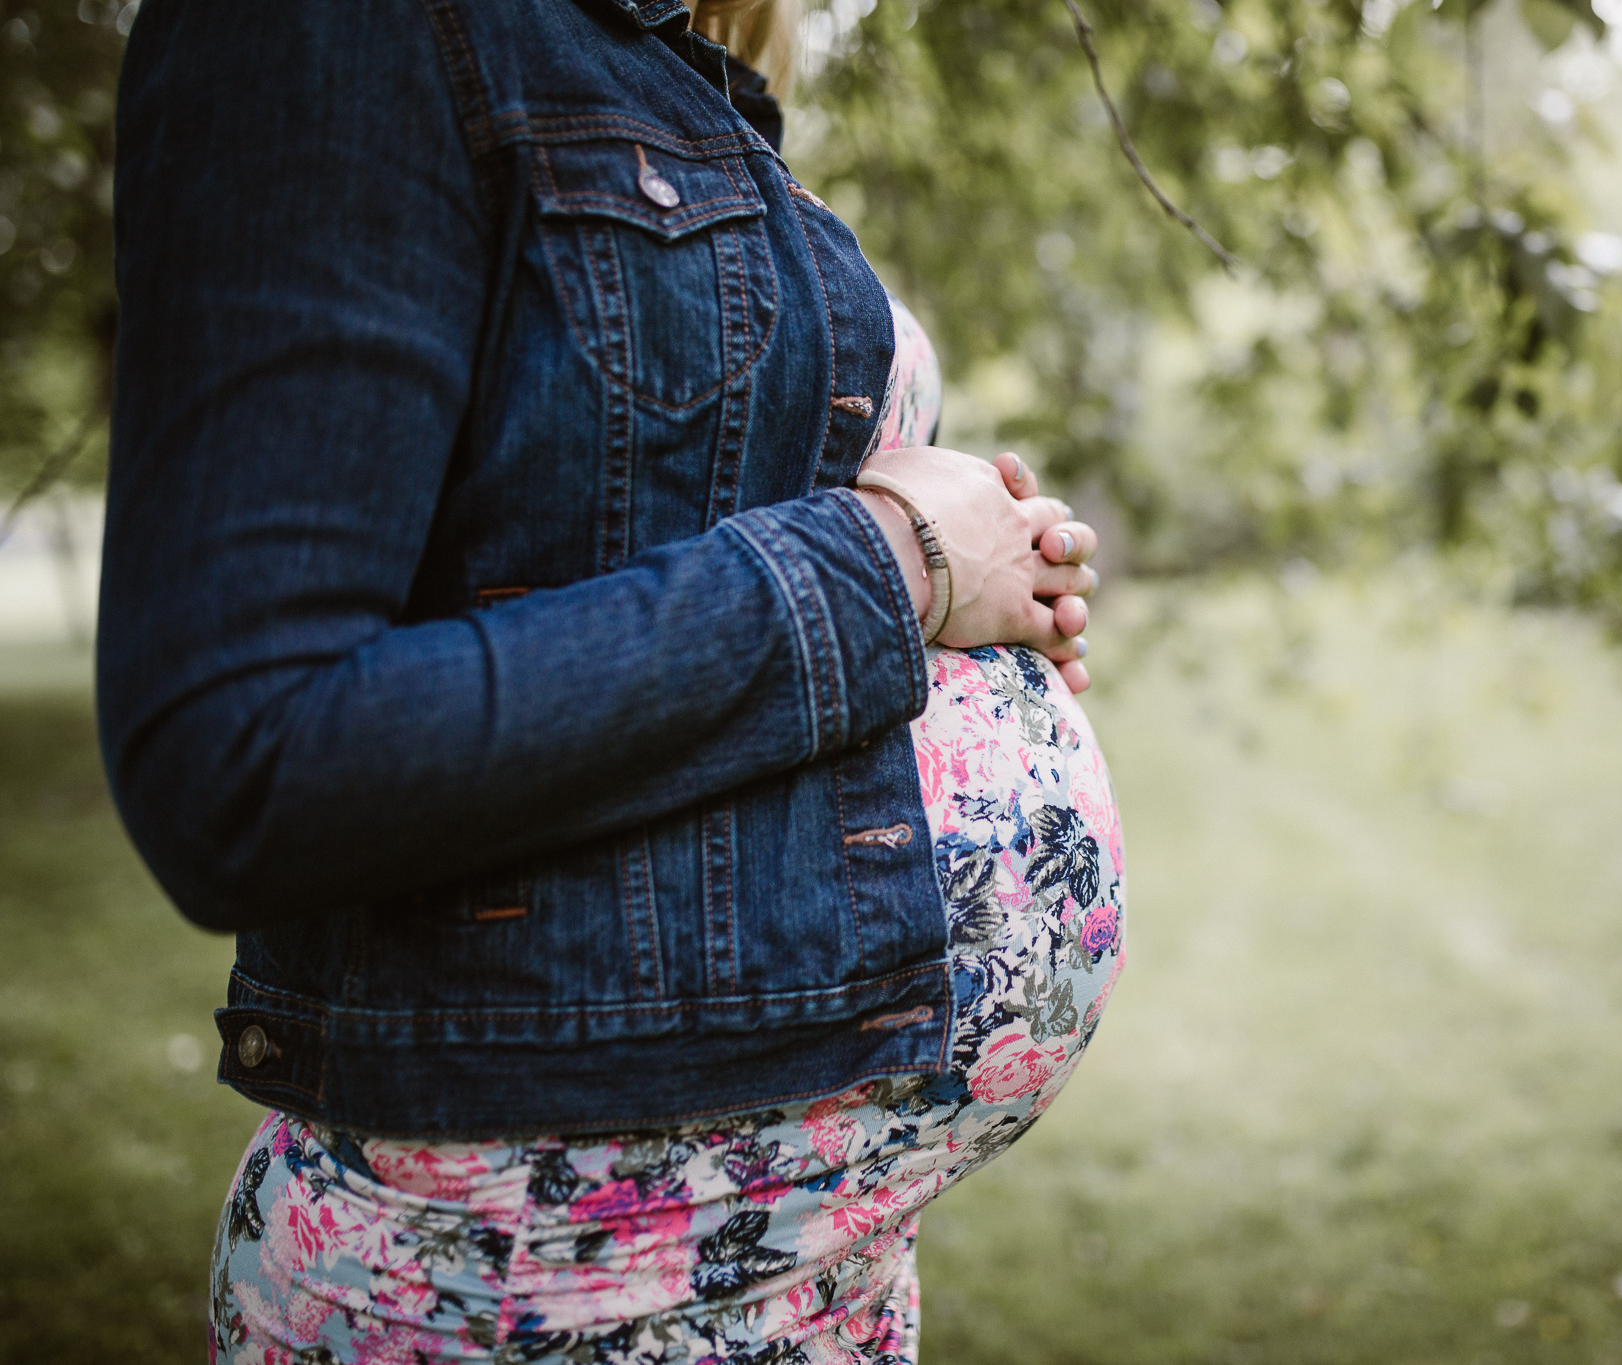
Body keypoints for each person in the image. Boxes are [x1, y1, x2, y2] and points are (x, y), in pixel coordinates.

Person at [97, 0, 1125, 1358]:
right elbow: (247, 756)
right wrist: (893, 563)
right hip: (535, 1288)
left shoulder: (665, 59)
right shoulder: (338, 28)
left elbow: (621, 526)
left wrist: (977, 570)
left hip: (801, 1272)